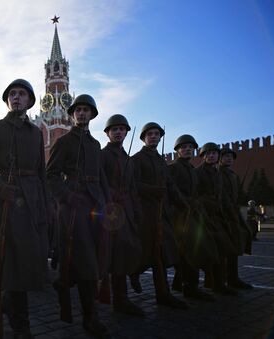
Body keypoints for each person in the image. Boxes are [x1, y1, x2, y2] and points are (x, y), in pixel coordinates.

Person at [0, 79, 50, 338]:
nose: (17, 97)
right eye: (12, 94)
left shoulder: (36, 133)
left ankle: (10, 304)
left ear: (30, 101)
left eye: (22, 94)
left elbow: (41, 172)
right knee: (13, 260)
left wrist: (44, 204)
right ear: (7, 100)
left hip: (33, 200)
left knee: (28, 259)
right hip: (7, 201)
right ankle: (21, 323)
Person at [46, 94, 110, 335]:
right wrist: (67, 197)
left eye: (86, 110)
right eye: (78, 110)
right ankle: (89, 318)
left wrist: (107, 204)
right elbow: (50, 175)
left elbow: (101, 178)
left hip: (95, 209)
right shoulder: (63, 143)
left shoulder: (95, 146)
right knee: (86, 263)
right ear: (72, 114)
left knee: (93, 258)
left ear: (92, 114)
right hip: (73, 209)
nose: (82, 114)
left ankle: (63, 283)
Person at [131, 123, 188, 309]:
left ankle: (162, 293)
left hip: (161, 213)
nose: (153, 137)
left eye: (156, 134)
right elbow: (133, 185)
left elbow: (169, 185)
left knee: (162, 252)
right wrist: (153, 190)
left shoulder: (160, 160)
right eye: (150, 134)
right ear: (143, 137)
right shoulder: (137, 159)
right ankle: (137, 274)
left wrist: (183, 203)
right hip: (146, 214)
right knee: (149, 252)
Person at [100, 114, 144, 315]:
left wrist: (135, 211)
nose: (118, 132)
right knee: (115, 255)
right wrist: (111, 195)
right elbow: (99, 183)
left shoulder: (128, 159)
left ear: (126, 132)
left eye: (121, 129)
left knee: (126, 252)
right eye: (114, 129)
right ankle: (119, 298)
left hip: (126, 210)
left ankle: (121, 296)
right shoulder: (103, 156)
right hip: (110, 213)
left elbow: (132, 188)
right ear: (108, 133)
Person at [168, 135, 218, 301]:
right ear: (177, 150)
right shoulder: (173, 168)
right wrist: (185, 201)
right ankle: (189, 287)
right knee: (189, 250)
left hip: (193, 213)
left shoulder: (191, 169)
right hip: (180, 215)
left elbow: (196, 192)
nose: (187, 149)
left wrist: (196, 202)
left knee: (195, 249)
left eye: (190, 147)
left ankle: (185, 284)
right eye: (183, 147)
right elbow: (171, 190)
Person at [195, 142, 239, 296]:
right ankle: (214, 283)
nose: (212, 156)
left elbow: (222, 196)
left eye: (214, 153)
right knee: (211, 251)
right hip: (204, 217)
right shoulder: (198, 172)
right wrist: (206, 206)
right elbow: (196, 195)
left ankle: (217, 282)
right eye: (208, 153)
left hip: (218, 216)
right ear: (203, 156)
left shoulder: (218, 173)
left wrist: (229, 212)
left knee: (221, 249)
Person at [219, 147, 254, 289]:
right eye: (225, 156)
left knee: (235, 245)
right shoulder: (217, 173)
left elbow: (236, 195)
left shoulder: (233, 175)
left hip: (233, 213)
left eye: (230, 157)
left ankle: (233, 278)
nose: (228, 158)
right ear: (220, 158)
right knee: (223, 248)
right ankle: (221, 280)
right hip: (221, 214)